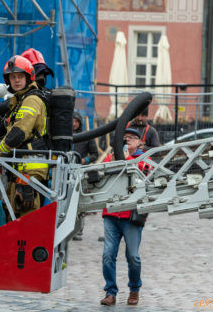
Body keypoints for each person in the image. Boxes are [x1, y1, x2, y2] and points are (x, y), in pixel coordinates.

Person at [0, 55, 48, 218]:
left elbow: (19, 132)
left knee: (25, 216)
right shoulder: (20, 99)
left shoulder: (32, 99)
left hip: (30, 169)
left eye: (20, 76)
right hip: (20, 167)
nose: (16, 80)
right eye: (13, 77)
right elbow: (1, 111)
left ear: (28, 77)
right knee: (13, 214)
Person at [100, 128, 150, 306]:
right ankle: (110, 292)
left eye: (132, 138)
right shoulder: (111, 157)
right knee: (108, 255)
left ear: (139, 143)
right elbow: (101, 172)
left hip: (131, 216)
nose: (127, 140)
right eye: (125, 138)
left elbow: (143, 172)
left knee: (133, 256)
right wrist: (117, 156)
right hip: (111, 214)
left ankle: (134, 289)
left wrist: (125, 156)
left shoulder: (145, 159)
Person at [72, 111, 99, 241]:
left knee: (79, 203)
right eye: (72, 121)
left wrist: (84, 160)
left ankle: (78, 230)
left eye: (76, 121)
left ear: (80, 123)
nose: (74, 124)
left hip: (81, 174)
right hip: (66, 173)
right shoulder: (64, 137)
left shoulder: (86, 137)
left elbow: (95, 154)